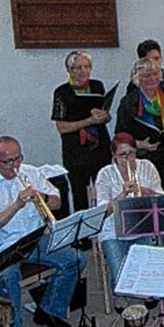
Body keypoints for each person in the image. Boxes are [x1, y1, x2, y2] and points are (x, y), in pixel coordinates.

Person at [0, 136, 87, 327]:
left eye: (18, 158)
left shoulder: (32, 172)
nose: (15, 165)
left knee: (76, 260)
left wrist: (41, 198)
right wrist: (16, 205)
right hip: (1, 246)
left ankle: (50, 310)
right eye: (8, 161)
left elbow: (57, 202)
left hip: (34, 239)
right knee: (8, 278)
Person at [94, 133, 163, 290]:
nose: (128, 159)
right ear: (114, 155)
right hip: (114, 231)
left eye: (131, 153)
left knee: (152, 272)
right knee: (121, 281)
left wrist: (144, 190)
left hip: (145, 228)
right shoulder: (105, 173)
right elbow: (102, 212)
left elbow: (162, 199)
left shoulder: (147, 166)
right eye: (122, 155)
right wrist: (122, 194)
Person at [115, 57, 164, 194]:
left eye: (155, 74)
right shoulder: (128, 102)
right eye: (147, 75)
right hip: (145, 159)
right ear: (138, 79)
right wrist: (140, 144)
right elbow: (120, 136)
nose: (152, 78)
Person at [52, 51, 112, 211]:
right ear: (70, 70)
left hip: (100, 147)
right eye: (78, 68)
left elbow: (105, 113)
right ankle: (84, 235)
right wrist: (88, 121)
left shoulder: (97, 86)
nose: (83, 71)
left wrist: (104, 116)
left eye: (86, 66)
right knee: (80, 195)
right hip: (76, 151)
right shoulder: (62, 92)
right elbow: (62, 127)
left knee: (104, 191)